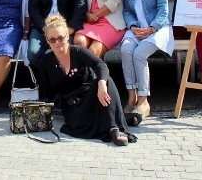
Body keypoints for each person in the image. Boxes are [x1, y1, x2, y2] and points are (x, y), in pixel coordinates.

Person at [39, 14, 137, 146]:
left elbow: (100, 65)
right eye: (52, 39)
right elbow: (47, 92)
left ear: (68, 36)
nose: (57, 43)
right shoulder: (46, 61)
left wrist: (101, 83)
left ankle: (114, 128)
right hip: (72, 108)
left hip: (91, 97)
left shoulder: (78, 51)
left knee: (106, 80)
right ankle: (122, 118)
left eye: (60, 38)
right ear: (47, 40)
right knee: (85, 118)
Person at [121, 0, 174, 119]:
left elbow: (163, 10)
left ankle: (143, 100)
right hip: (136, 29)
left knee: (139, 54)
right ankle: (131, 96)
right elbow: (127, 11)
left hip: (157, 28)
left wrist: (151, 28)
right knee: (126, 50)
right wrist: (132, 26)